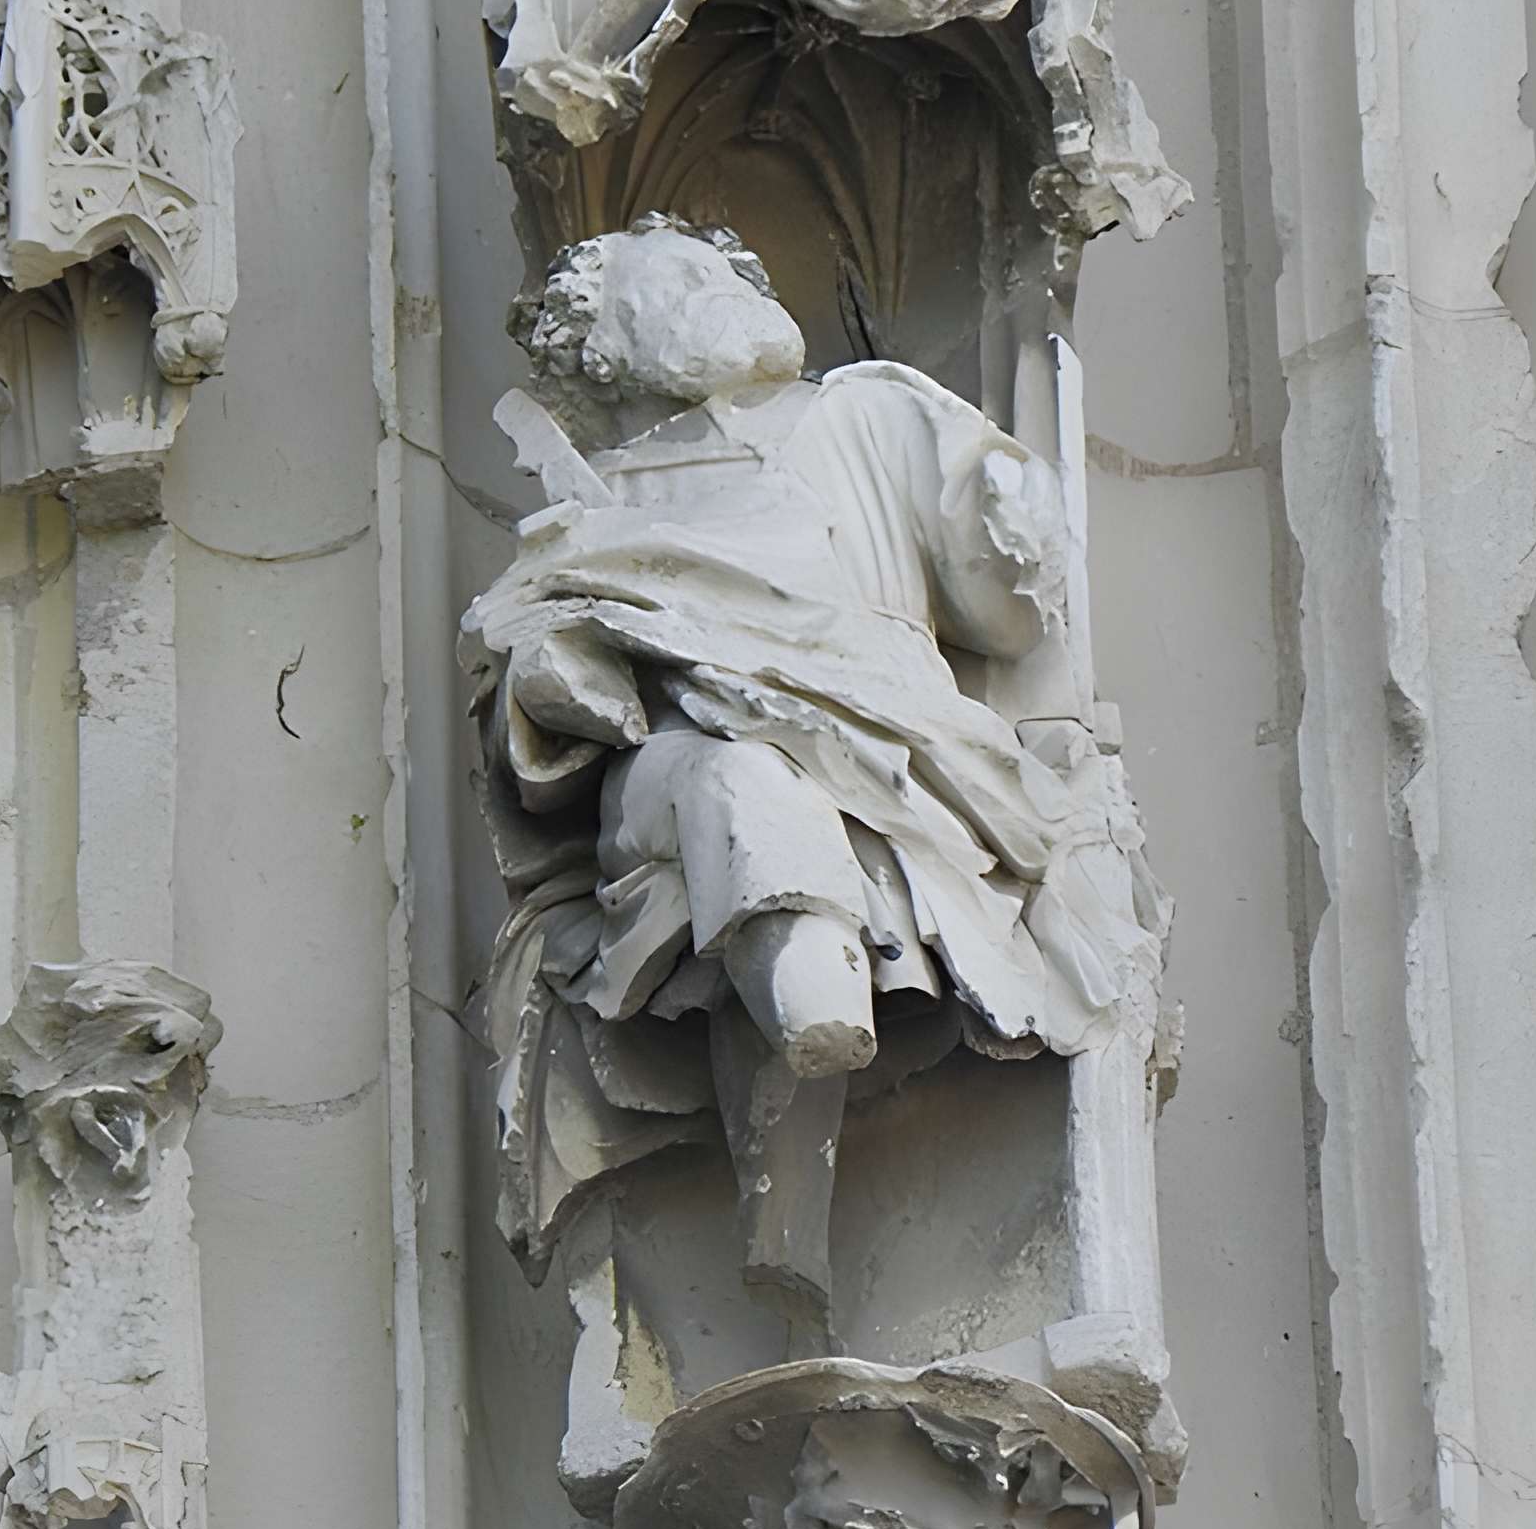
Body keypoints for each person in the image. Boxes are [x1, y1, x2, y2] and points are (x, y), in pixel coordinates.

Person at [462, 216, 1164, 1313]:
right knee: (736, 787)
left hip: (891, 743)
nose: (733, 285)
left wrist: (1013, 528)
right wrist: (562, 682)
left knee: (773, 804)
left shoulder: (865, 414)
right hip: (674, 771)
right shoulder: (594, 510)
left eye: (733, 268)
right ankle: (808, 995)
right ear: (606, 352)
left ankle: (786, 1199)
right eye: (689, 281)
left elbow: (1001, 603)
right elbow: (527, 708)